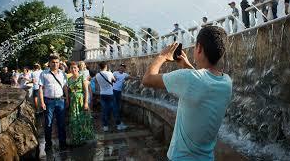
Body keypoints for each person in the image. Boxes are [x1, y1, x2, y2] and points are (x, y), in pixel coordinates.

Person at [142, 26, 232, 160]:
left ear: (199, 48)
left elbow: (147, 79)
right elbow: (201, 82)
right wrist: (186, 65)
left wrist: (162, 56)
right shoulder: (226, 81)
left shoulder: (189, 79)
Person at [39, 54, 69, 151]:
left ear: (59, 63)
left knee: (61, 123)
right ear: (49, 63)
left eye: (57, 62)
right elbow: (40, 88)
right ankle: (48, 143)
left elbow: (65, 87)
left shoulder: (62, 74)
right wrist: (42, 102)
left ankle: (63, 143)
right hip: (49, 101)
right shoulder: (44, 73)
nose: (55, 64)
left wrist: (67, 99)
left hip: (60, 101)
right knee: (48, 123)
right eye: (53, 62)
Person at [68, 61, 94, 145]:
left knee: (83, 118)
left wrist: (86, 103)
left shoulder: (82, 77)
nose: (73, 69)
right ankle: (77, 137)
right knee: (74, 119)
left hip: (81, 101)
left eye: (75, 68)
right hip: (73, 102)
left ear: (78, 69)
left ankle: (84, 137)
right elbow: (68, 91)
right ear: (70, 69)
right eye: (72, 68)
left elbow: (86, 91)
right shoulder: (69, 79)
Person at [95, 62, 126, 131]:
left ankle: (105, 126)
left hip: (102, 94)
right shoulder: (109, 73)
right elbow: (114, 81)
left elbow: (98, 83)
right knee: (115, 109)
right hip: (110, 94)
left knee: (104, 110)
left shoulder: (97, 75)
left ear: (100, 67)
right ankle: (118, 125)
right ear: (106, 66)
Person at [112, 63, 133, 129]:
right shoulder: (115, 73)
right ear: (119, 67)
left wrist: (140, 78)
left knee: (118, 107)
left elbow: (131, 77)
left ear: (124, 69)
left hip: (119, 92)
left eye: (123, 67)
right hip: (113, 91)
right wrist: (113, 79)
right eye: (120, 67)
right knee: (116, 107)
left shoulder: (125, 74)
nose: (121, 68)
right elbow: (111, 79)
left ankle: (117, 121)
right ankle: (118, 123)